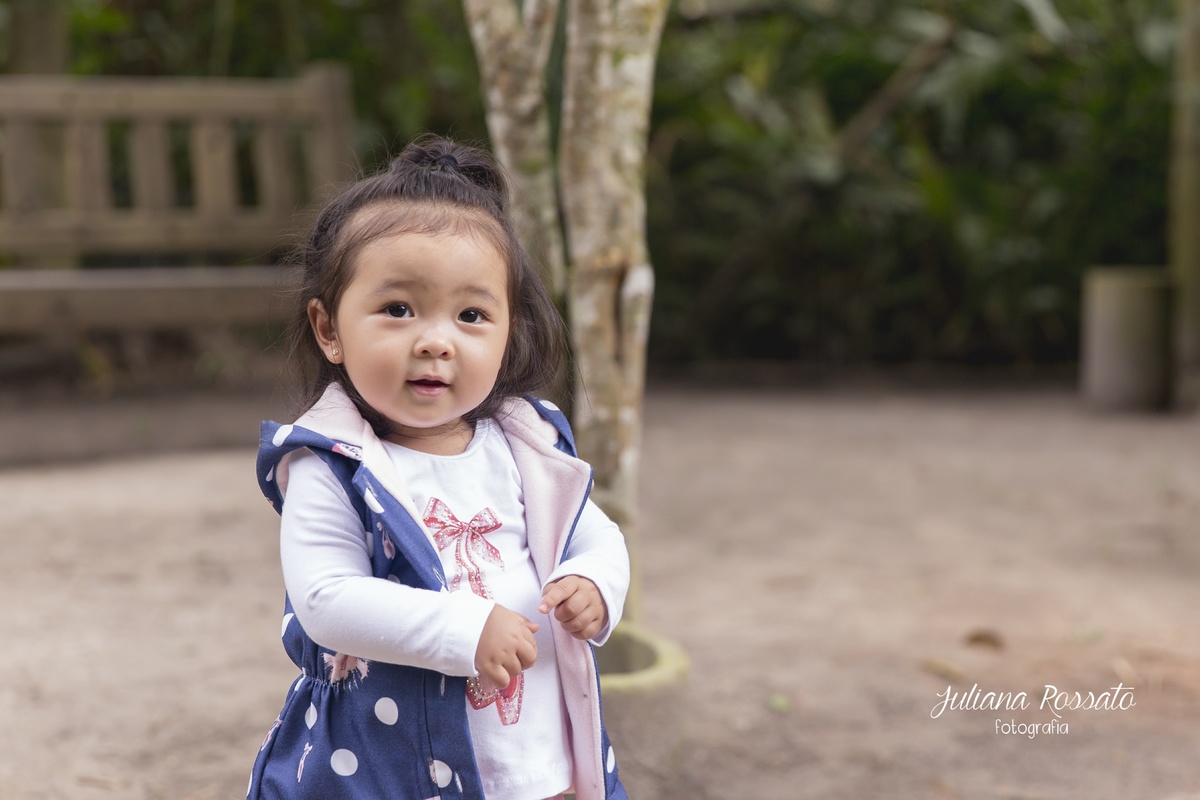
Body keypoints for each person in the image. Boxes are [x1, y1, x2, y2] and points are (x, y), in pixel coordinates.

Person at [246, 135, 630, 800]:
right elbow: (326, 600)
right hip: (390, 760)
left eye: (471, 315)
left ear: (508, 332)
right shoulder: (333, 463)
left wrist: (595, 581)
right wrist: (464, 627)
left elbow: (595, 535)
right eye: (398, 309)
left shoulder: (524, 445)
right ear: (329, 328)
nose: (435, 340)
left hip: (533, 752)